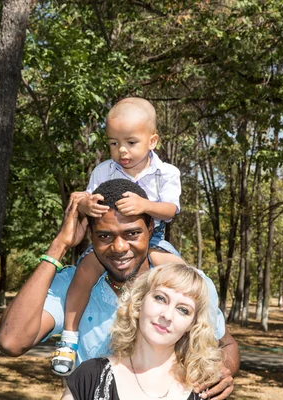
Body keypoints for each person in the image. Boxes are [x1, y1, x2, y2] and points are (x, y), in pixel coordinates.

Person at [0, 179, 238, 399]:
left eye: (132, 233)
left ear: (151, 228)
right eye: (104, 236)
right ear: (90, 235)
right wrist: (60, 244)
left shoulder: (184, 289)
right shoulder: (72, 287)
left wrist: (222, 369)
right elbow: (11, 341)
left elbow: (226, 344)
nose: (119, 247)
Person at [55, 97, 182, 376]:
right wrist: (86, 205)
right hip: (108, 237)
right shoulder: (103, 171)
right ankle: (69, 338)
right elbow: (90, 201)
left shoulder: (166, 173)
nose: (121, 150)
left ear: (152, 141)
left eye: (131, 142)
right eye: (113, 143)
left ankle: (189, 341)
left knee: (181, 276)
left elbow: (170, 209)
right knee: (84, 272)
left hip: (154, 237)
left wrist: (145, 206)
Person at [62, 263, 222, 400]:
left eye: (183, 310)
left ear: (192, 325)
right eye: (160, 298)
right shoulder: (89, 377)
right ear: (139, 302)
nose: (167, 315)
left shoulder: (206, 389)